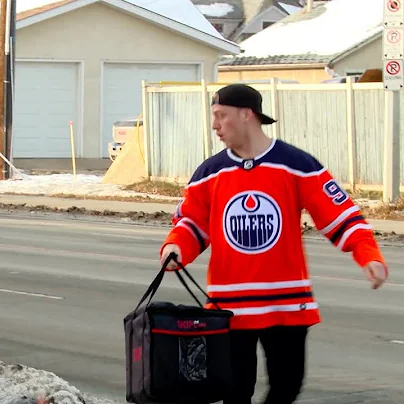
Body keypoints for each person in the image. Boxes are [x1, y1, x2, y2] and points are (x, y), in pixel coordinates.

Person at [159, 84, 389, 404]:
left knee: (287, 388)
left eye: (220, 116)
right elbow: (190, 225)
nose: (214, 125)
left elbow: (341, 216)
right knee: (234, 391)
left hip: (287, 305)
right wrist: (176, 248)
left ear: (246, 115)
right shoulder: (208, 174)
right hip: (229, 306)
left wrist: (368, 255)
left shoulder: (296, 164)